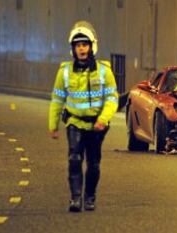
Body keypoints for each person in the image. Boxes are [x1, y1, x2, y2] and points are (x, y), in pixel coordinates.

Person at [48, 21, 118, 212]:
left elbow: (112, 99)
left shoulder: (105, 71)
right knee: (74, 158)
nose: (81, 49)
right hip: (74, 123)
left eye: (84, 44)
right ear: (73, 48)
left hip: (97, 125)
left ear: (91, 46)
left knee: (93, 164)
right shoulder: (64, 72)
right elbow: (57, 99)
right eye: (78, 45)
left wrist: (103, 119)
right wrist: (53, 124)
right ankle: (75, 198)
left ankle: (90, 197)